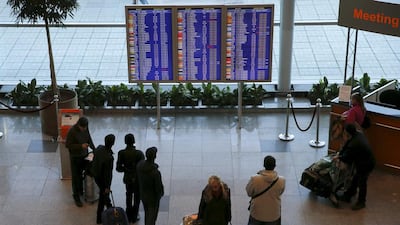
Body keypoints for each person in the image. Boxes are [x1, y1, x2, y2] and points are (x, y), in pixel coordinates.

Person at [336, 124, 375, 210]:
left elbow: (347, 157)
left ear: (347, 133)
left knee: (362, 182)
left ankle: (361, 202)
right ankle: (349, 194)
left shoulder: (354, 143)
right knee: (356, 178)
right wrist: (341, 153)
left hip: (366, 164)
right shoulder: (357, 134)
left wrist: (339, 157)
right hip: (366, 161)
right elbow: (347, 145)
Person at [65, 116, 95, 207]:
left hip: (84, 155)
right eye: (83, 127)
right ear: (78, 125)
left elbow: (89, 138)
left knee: (84, 174)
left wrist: (94, 149)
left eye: (86, 127)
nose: (84, 129)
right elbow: (68, 145)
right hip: (75, 157)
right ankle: (76, 196)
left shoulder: (85, 128)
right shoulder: (72, 132)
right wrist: (80, 146)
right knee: (76, 176)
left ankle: (81, 190)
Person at [246, 155, 285, 225]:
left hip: (257, 212)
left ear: (264, 165)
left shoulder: (255, 179)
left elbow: (249, 193)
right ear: (275, 166)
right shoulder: (281, 180)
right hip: (274, 214)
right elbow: (280, 192)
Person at [116, 133, 145, 223]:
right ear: (134, 141)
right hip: (137, 179)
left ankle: (128, 215)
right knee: (137, 197)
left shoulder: (121, 153)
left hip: (128, 178)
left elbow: (118, 168)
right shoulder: (139, 153)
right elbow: (142, 168)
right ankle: (135, 215)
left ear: (125, 142)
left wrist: (126, 169)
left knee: (128, 195)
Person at [91, 134, 115, 224]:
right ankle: (99, 218)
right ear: (113, 143)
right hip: (103, 180)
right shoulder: (109, 157)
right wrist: (107, 187)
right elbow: (108, 174)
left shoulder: (99, 148)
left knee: (104, 195)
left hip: (96, 175)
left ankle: (109, 205)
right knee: (102, 196)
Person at [136, 147, 164, 225]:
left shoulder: (139, 165)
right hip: (153, 198)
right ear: (154, 157)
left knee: (147, 213)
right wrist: (160, 194)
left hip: (143, 195)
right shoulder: (155, 173)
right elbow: (158, 188)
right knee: (152, 217)